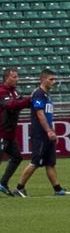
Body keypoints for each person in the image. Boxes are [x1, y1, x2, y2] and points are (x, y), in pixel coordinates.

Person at [12, 69, 69, 197]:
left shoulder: (46, 95)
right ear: (42, 80)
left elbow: (48, 116)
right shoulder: (38, 94)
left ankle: (58, 189)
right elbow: (40, 114)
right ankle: (19, 188)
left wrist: (53, 131)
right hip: (40, 134)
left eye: (54, 79)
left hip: (47, 133)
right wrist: (48, 131)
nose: (53, 82)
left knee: (50, 162)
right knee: (35, 162)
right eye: (51, 79)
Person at [0, 68, 28, 196]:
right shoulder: (1, 91)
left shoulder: (15, 92)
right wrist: (28, 100)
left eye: (17, 76)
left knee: (17, 157)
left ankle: (3, 183)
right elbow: (10, 105)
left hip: (9, 134)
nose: (17, 79)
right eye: (14, 77)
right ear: (6, 78)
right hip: (1, 132)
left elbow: (21, 102)